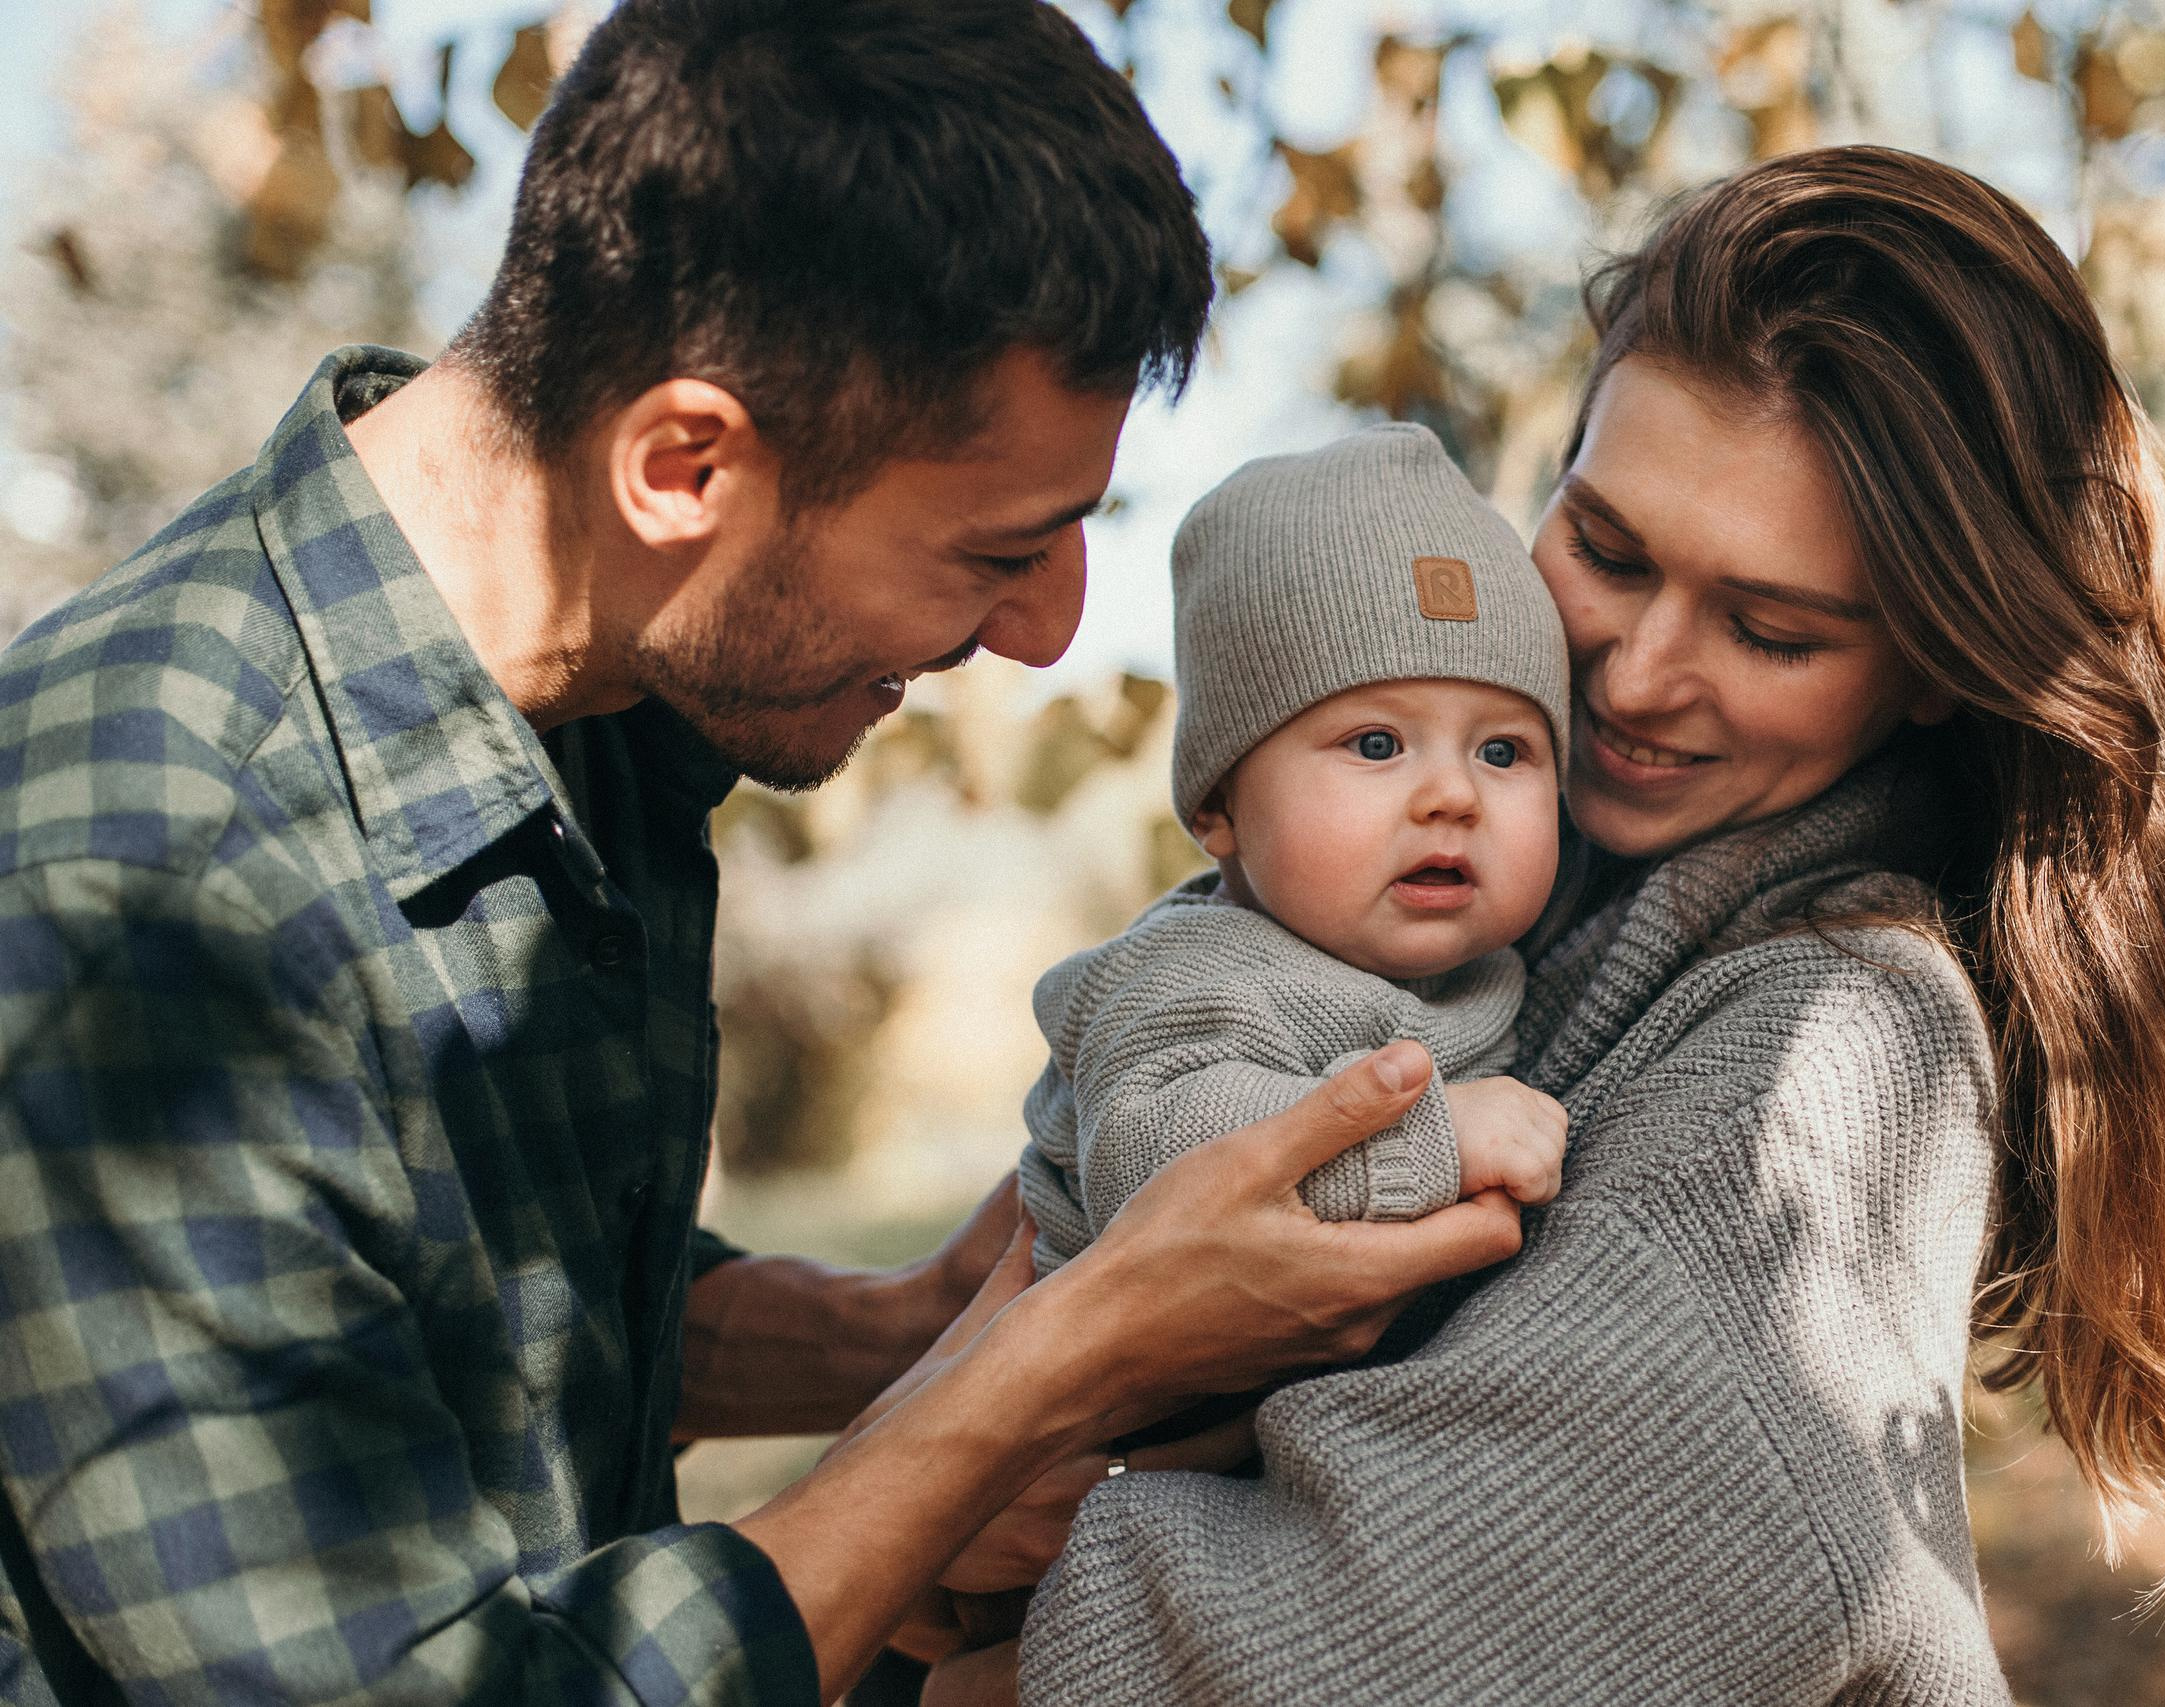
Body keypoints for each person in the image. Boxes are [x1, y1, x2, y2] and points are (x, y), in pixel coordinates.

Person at [0, 5, 1541, 1702]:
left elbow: (453, 1317)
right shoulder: (135, 887)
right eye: (997, 550)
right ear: (684, 464)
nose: (1045, 635)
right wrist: (1038, 1371)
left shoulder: (594, 698)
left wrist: (898, 1326)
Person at [939, 147, 2165, 1705]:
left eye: (1768, 628)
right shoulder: (1527, 914)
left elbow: (1361, 1650)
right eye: (1604, 549)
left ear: (1935, 662)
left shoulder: (1830, 1065)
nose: (1630, 672)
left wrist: (993, 1565)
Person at [1017, 424, 1574, 1281]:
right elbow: (1153, 1160)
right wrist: (1440, 1137)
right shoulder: (1192, 976)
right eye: (1378, 744)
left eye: (1501, 752)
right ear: (1218, 807)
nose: (1454, 795)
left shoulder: (1492, 968)